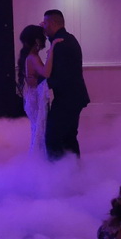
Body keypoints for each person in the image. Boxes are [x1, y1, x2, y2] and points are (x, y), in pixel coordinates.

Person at [40, 9, 90, 160]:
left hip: (67, 98)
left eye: (45, 23)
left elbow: (61, 74)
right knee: (69, 137)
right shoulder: (66, 39)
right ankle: (73, 168)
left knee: (53, 138)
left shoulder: (61, 43)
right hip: (73, 97)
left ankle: (57, 170)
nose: (43, 26)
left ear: (52, 23)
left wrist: (42, 85)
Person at [17, 25, 61, 155]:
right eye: (43, 37)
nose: (45, 39)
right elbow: (46, 73)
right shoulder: (33, 58)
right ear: (37, 41)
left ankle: (38, 158)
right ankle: (40, 159)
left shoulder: (30, 56)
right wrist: (51, 50)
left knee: (38, 131)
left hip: (33, 99)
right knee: (40, 132)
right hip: (35, 101)